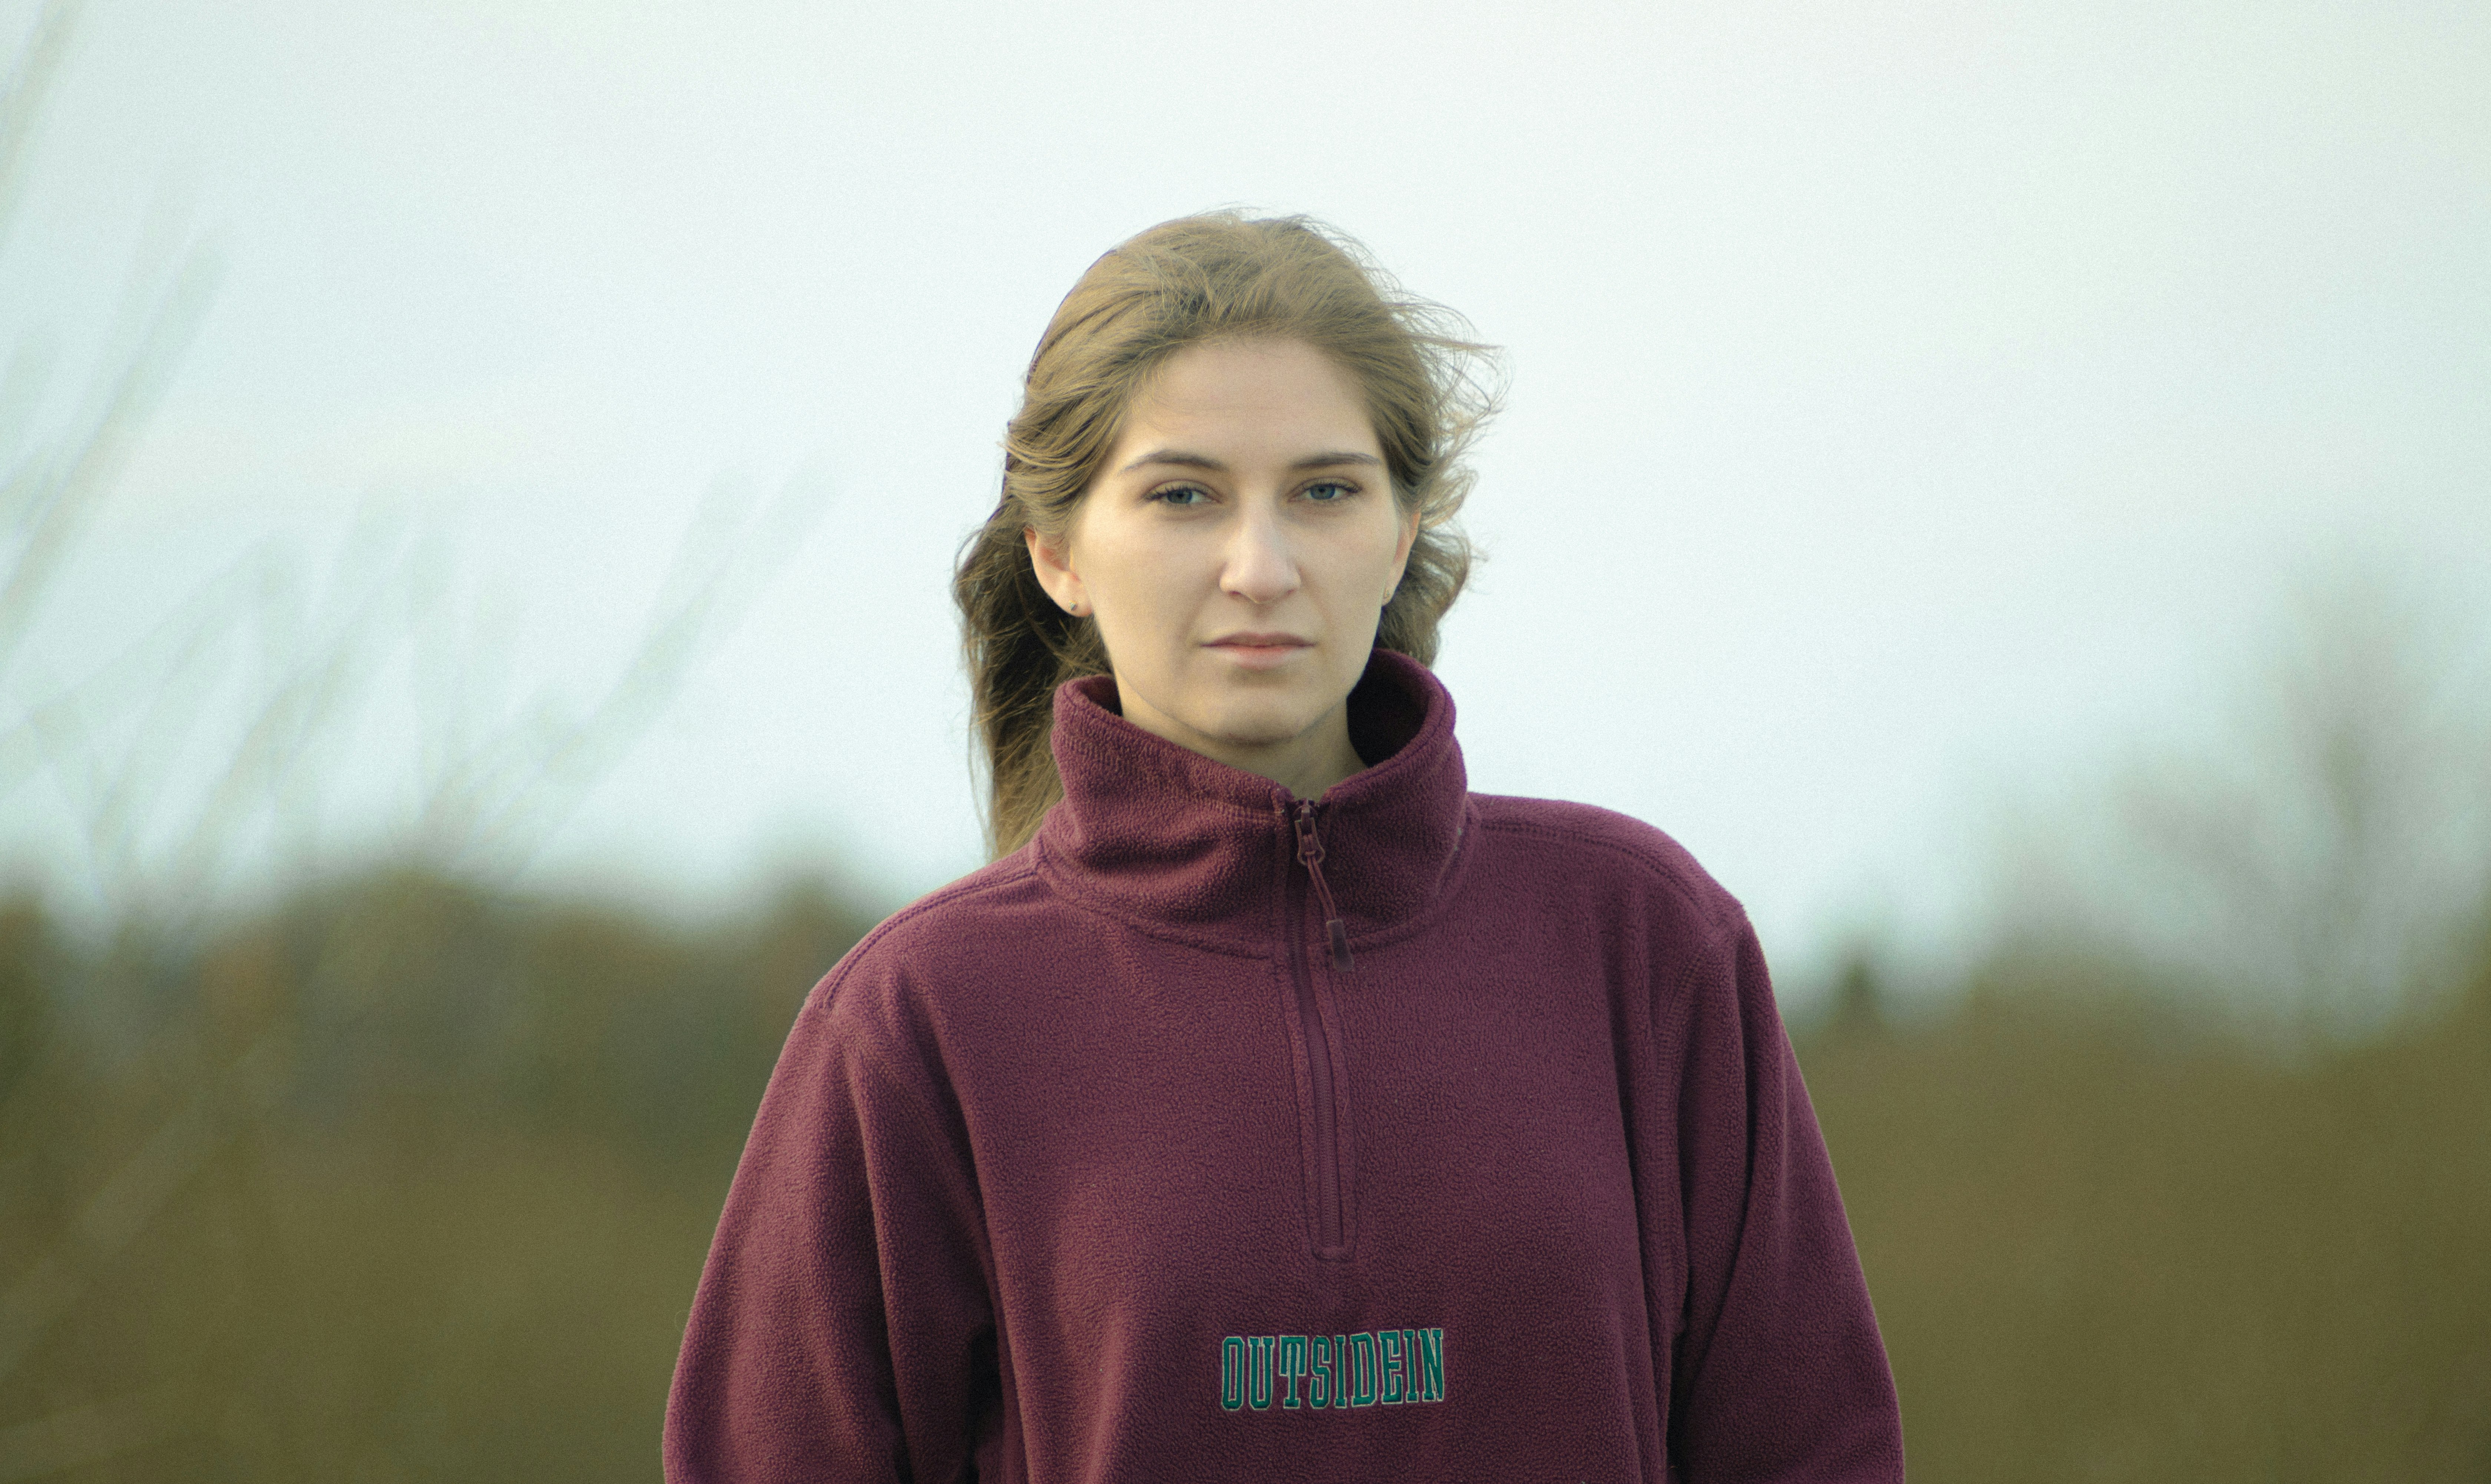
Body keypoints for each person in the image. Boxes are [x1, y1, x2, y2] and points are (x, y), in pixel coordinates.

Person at [664, 212, 1903, 1482]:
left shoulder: (1645, 942)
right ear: (1057, 552)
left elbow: (1817, 1450)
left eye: (1324, 491)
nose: (1261, 567)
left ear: (1403, 532)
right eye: (1184, 494)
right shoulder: (912, 1023)